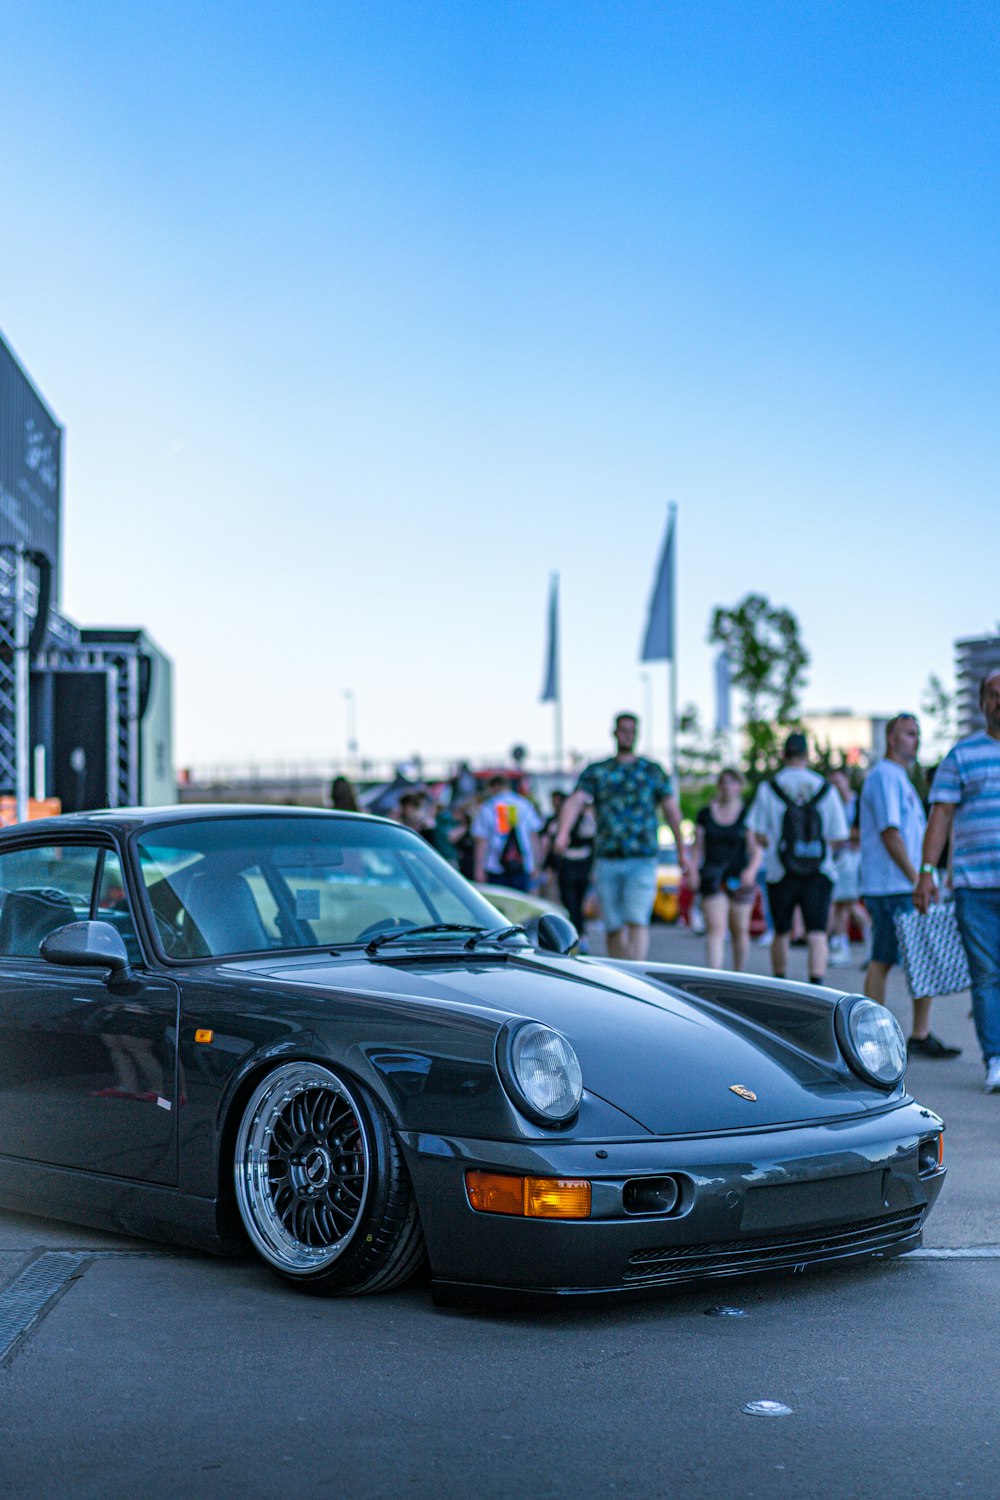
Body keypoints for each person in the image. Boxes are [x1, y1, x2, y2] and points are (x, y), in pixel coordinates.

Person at [915, 669, 1000, 1091]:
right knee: (986, 975)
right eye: (993, 694)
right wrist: (927, 871)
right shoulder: (961, 756)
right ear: (983, 703)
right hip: (974, 886)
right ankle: (996, 1059)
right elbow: (941, 816)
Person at [859, 714, 959, 1058]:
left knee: (918, 959)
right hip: (893, 886)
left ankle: (918, 1033)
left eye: (917, 734)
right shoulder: (885, 776)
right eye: (909, 734)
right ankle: (868, 1037)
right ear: (891, 738)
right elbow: (890, 833)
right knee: (885, 958)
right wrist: (916, 877)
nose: (916, 740)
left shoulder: (896, 777)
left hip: (900, 884)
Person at [554, 712, 690, 960]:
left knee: (637, 919)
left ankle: (635, 973)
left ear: (636, 735)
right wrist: (562, 833)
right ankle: (621, 972)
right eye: (622, 730)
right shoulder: (599, 771)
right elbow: (575, 801)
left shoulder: (651, 771)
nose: (627, 735)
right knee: (613, 923)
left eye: (631, 731)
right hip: (608, 857)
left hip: (642, 857)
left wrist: (682, 851)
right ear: (615, 733)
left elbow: (671, 810)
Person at [746, 731, 849, 984]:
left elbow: (757, 832)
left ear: (783, 754)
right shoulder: (825, 789)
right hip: (819, 871)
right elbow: (838, 836)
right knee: (817, 933)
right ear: (807, 755)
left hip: (780, 871)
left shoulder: (768, 788)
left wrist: (777, 843)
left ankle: (780, 981)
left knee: (781, 931)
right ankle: (817, 985)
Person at [693, 767, 760, 971]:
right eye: (724, 781)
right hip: (712, 877)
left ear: (739, 786)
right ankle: (715, 974)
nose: (727, 786)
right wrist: (693, 871)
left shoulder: (747, 815)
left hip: (739, 878)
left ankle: (739, 975)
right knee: (715, 929)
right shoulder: (705, 814)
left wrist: (751, 871)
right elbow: (698, 849)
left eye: (732, 782)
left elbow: (756, 850)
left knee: (740, 930)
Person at [827, 768, 871, 965]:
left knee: (847, 903)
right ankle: (846, 946)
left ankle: (867, 942)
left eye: (839, 781)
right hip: (840, 857)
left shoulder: (857, 802)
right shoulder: (834, 804)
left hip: (853, 858)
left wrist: (845, 836)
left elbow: (861, 832)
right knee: (841, 905)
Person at [472, 775, 543, 891]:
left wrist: (479, 870)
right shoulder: (525, 805)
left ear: (494, 787)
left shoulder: (488, 807)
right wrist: (536, 866)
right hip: (523, 866)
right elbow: (534, 837)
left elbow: (481, 841)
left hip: (495, 867)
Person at [542, 790, 595, 940]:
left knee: (577, 902)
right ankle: (575, 933)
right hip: (566, 866)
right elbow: (550, 847)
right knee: (569, 901)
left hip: (581, 867)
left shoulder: (584, 821)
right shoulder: (555, 822)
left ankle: (579, 933)